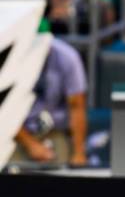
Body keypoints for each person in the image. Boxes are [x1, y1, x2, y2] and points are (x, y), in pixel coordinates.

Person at [11, 37, 88, 166]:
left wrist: (79, 153)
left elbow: (76, 107)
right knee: (9, 171)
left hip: (54, 130)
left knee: (61, 170)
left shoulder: (67, 57)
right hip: (16, 133)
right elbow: (4, 112)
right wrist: (30, 144)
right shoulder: (10, 56)